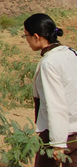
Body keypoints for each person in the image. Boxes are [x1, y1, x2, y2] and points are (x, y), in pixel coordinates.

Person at [23, 13, 77, 166]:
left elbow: (56, 104)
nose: (26, 40)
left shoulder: (49, 63)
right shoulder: (71, 53)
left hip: (60, 133)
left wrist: (58, 143)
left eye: (25, 35)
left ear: (36, 36)